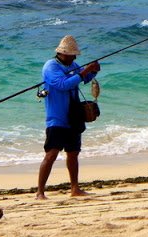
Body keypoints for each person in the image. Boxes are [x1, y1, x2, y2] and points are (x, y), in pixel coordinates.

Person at [36, 35, 101, 199]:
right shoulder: (50, 66)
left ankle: (75, 188)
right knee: (51, 154)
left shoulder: (73, 65)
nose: (74, 57)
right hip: (57, 117)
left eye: (75, 55)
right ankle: (40, 192)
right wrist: (84, 72)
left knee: (73, 153)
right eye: (72, 55)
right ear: (62, 53)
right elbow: (62, 85)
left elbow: (82, 78)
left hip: (73, 115)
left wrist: (92, 72)